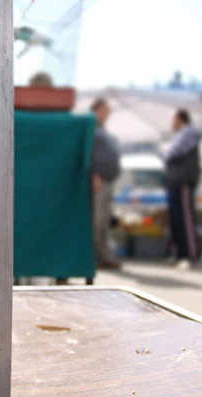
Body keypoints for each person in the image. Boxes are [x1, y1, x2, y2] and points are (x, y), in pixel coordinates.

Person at [164, 109, 200, 270]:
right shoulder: (180, 135)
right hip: (175, 182)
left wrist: (164, 149)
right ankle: (179, 254)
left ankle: (189, 256)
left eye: (173, 119)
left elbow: (171, 153)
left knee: (185, 221)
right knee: (176, 220)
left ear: (180, 119)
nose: (171, 123)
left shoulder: (188, 132)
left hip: (183, 182)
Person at [90, 98, 121, 269]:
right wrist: (93, 174)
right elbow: (89, 151)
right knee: (98, 220)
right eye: (106, 110)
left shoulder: (101, 129)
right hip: (98, 181)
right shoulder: (90, 126)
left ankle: (105, 256)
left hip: (108, 180)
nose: (108, 114)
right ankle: (96, 257)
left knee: (104, 222)